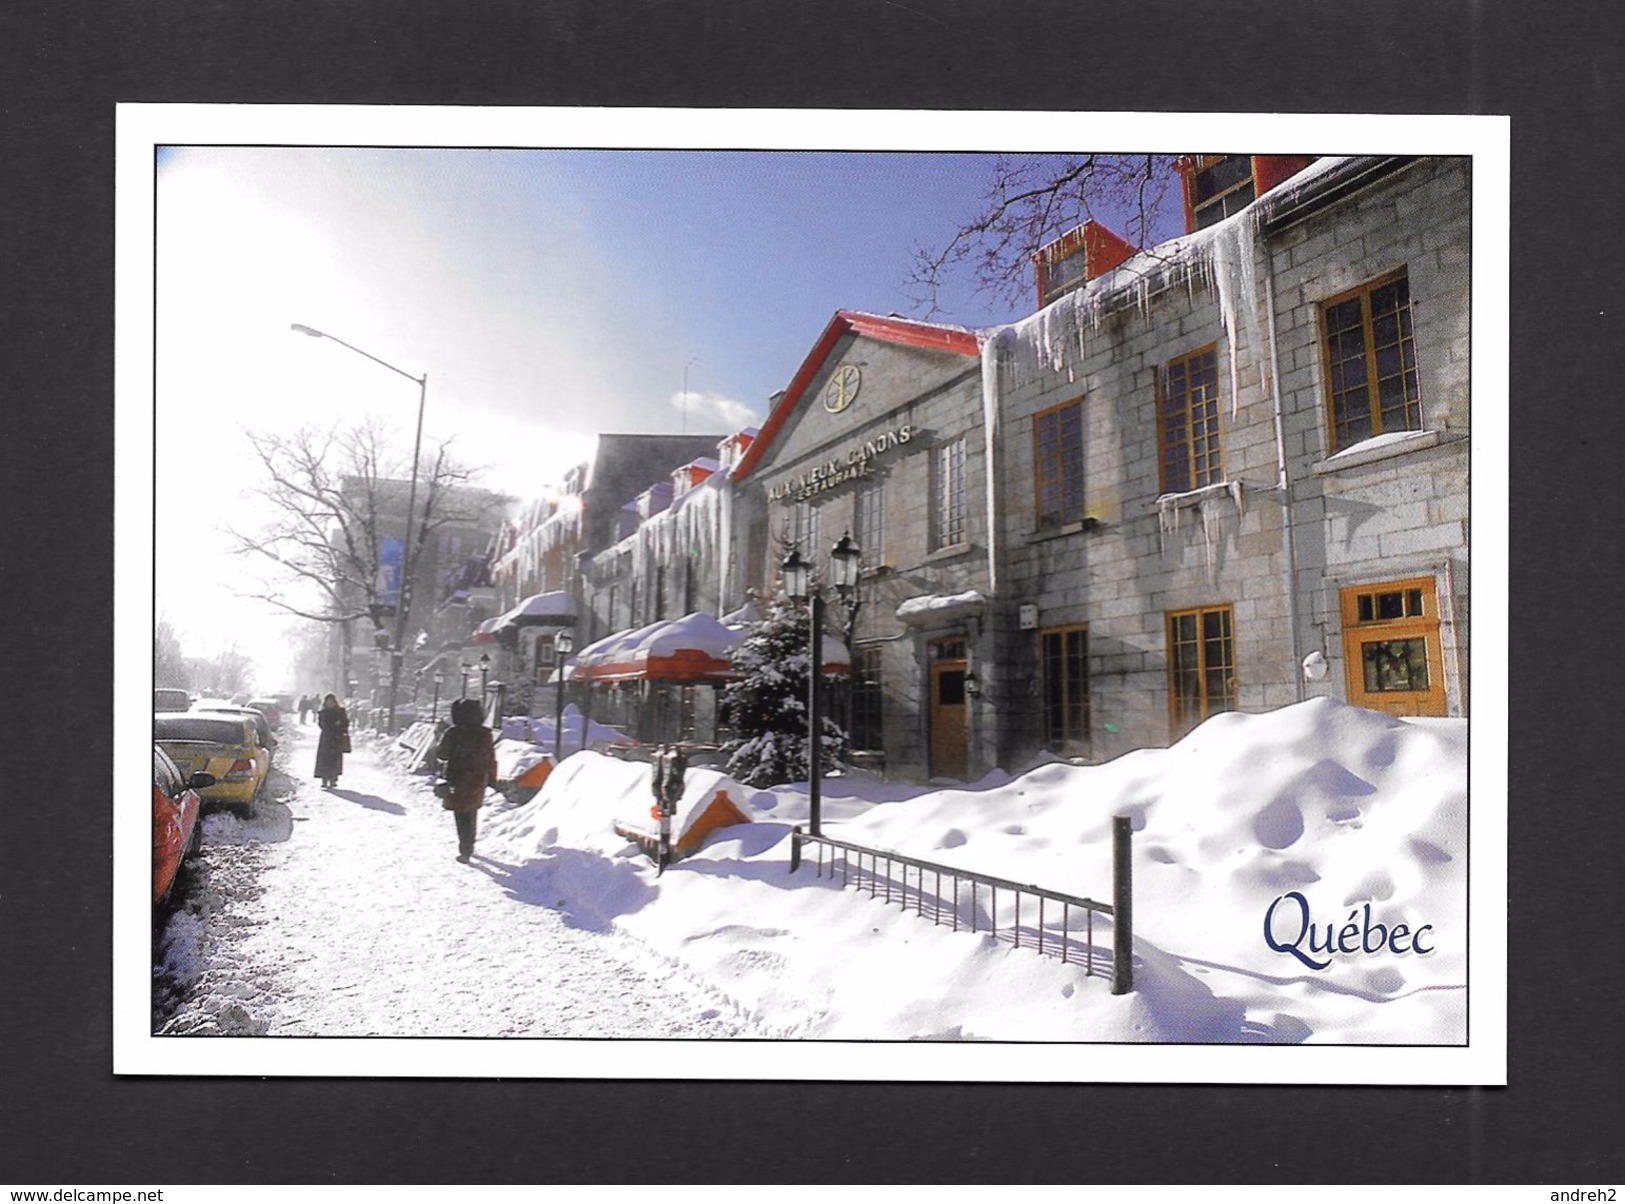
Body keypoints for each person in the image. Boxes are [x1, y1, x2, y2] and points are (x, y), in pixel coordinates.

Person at [435, 697, 498, 863]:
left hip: (457, 777)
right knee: (472, 810)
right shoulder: (486, 734)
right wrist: (491, 779)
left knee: (461, 814)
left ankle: (465, 849)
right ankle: (469, 844)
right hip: (478, 778)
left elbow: (442, 754)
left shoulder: (454, 732)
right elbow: (491, 758)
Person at [314, 693, 350, 789]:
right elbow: (321, 724)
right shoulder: (323, 712)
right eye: (328, 702)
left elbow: (345, 723)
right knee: (324, 759)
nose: (330, 704)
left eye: (331, 702)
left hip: (336, 738)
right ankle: (324, 779)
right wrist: (333, 725)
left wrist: (340, 726)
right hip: (326, 738)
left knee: (335, 760)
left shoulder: (340, 711)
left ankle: (333, 779)